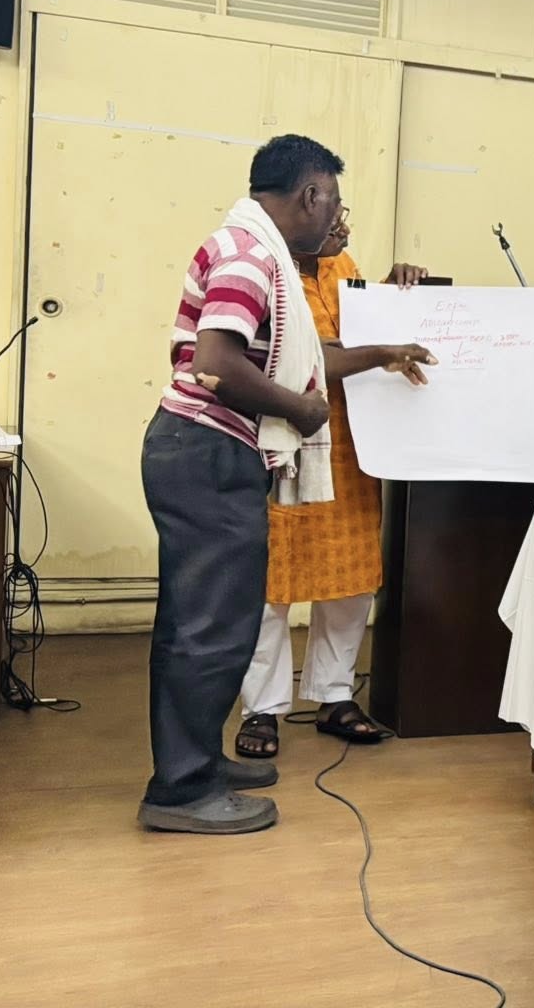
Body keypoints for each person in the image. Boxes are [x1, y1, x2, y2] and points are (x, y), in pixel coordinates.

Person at [138, 135, 430, 835]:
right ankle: (182, 791)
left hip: (208, 451)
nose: (335, 216)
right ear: (310, 195)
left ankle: (195, 765)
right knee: (208, 631)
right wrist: (300, 408)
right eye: (333, 200)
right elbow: (215, 363)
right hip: (207, 450)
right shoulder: (249, 256)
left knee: (204, 624)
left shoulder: (252, 247)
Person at [234, 208, 434, 760]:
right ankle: (262, 709)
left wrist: (394, 294)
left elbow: (361, 334)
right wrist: (384, 352)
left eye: (344, 214)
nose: (344, 227)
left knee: (352, 577)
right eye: (332, 214)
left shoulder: (341, 267)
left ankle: (334, 695)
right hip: (288, 444)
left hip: (351, 446)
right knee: (271, 582)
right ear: (301, 210)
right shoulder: (269, 275)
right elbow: (309, 359)